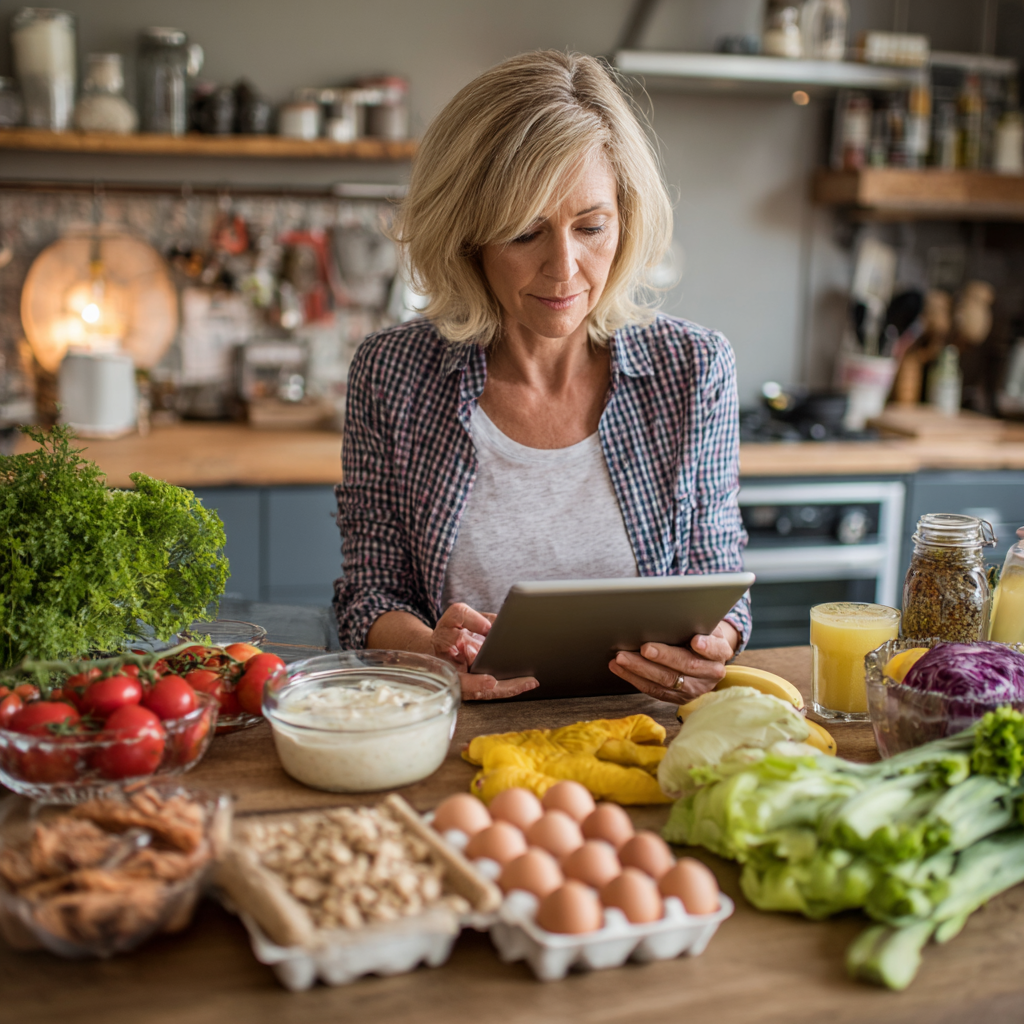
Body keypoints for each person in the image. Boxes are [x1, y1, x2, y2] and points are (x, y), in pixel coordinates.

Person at [334, 49, 749, 703]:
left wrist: (715, 643)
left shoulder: (694, 368)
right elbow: (369, 595)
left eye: (591, 227)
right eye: (525, 233)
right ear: (467, 236)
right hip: (456, 736)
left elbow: (718, 571)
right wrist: (430, 651)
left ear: (627, 218)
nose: (564, 269)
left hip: (641, 730)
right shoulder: (393, 374)